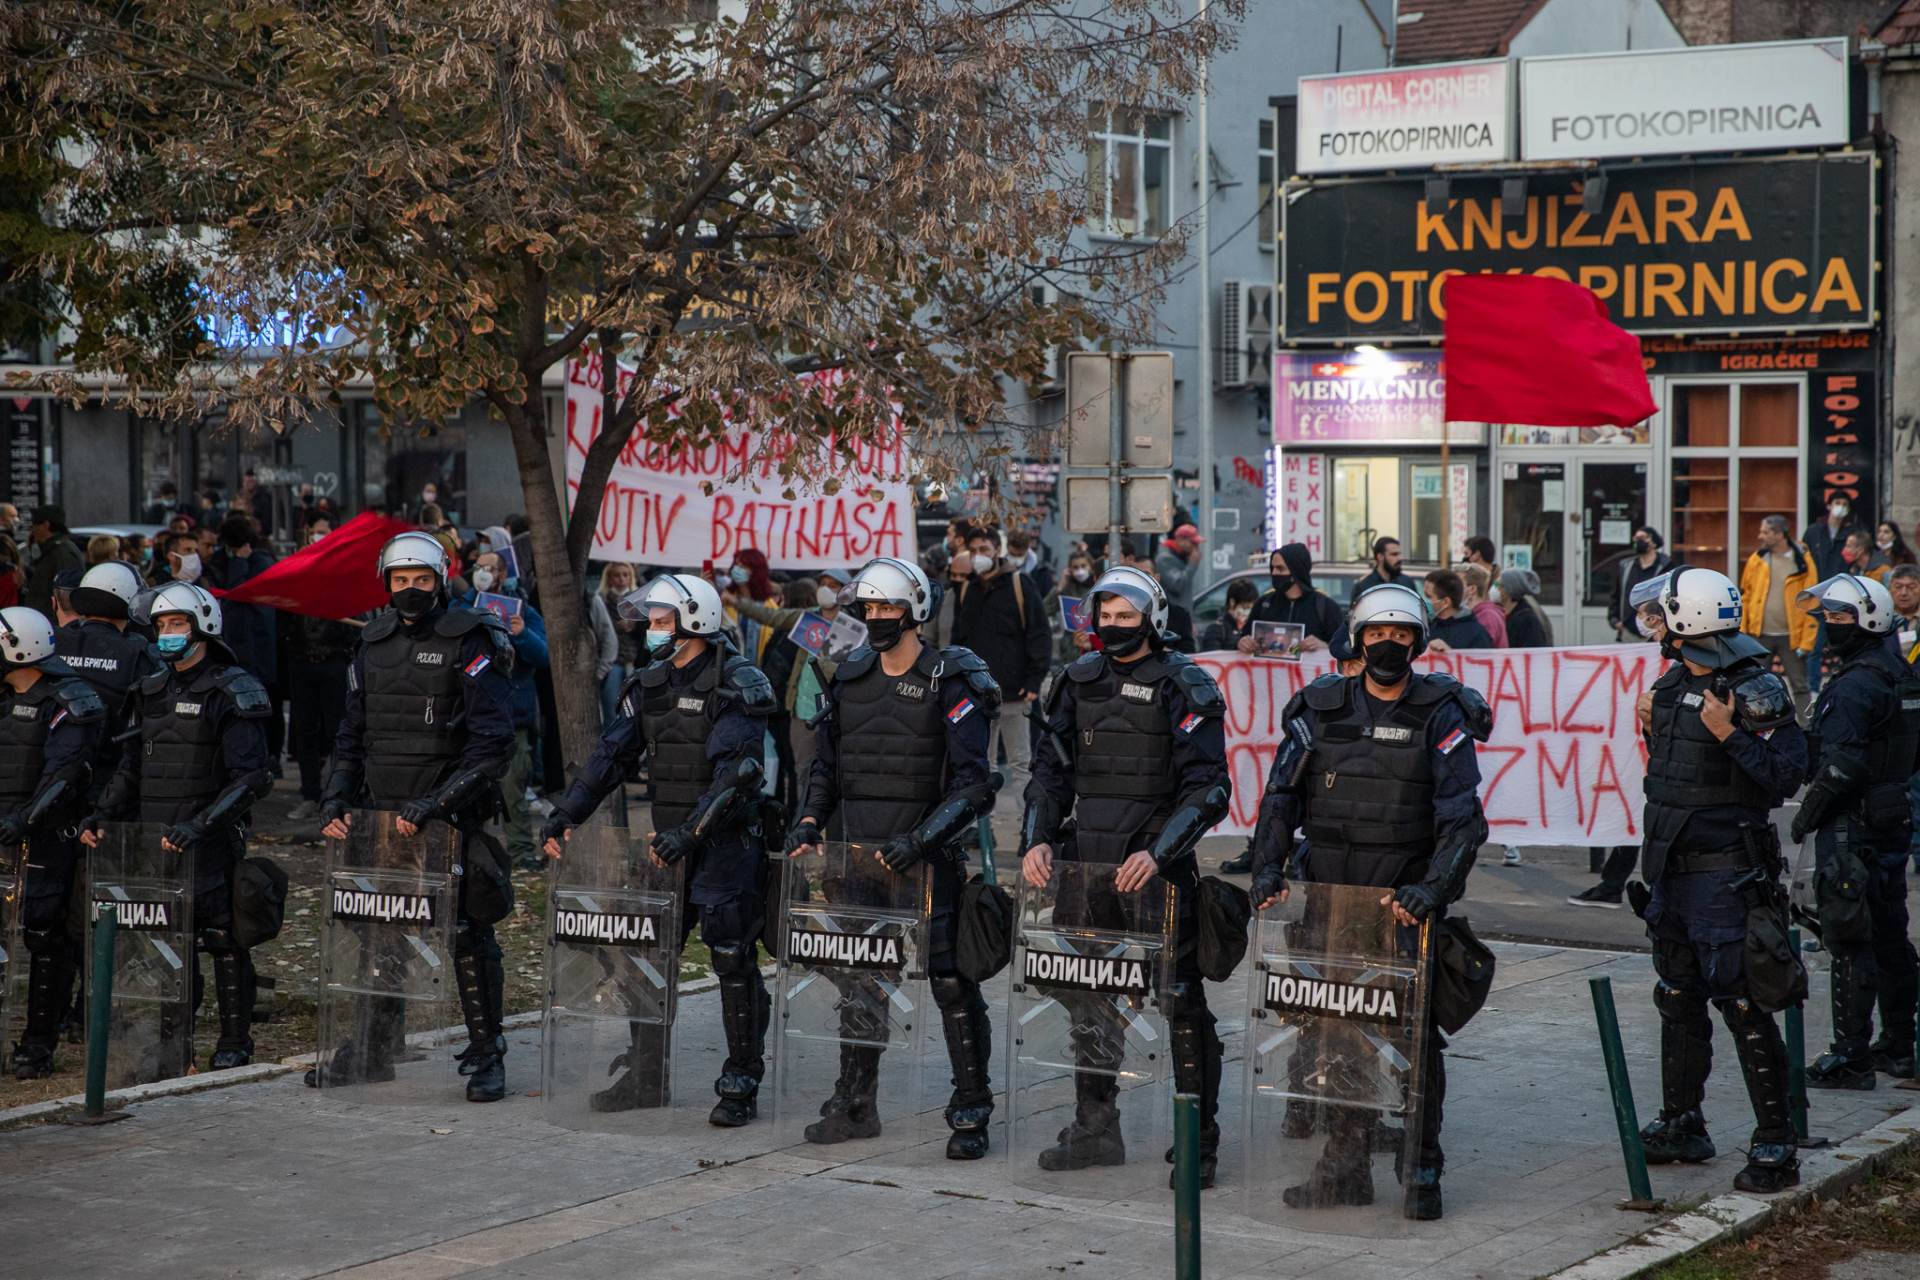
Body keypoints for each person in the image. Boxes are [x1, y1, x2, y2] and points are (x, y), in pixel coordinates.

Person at [1248, 582, 1491, 1219]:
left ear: (1416, 641)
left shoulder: (1440, 712)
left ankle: (1422, 1168)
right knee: (1337, 1037)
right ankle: (1344, 1167)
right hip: (1329, 898)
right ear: (1358, 640)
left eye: (1402, 635)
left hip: (1402, 907)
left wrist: (1432, 891)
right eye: (1378, 635)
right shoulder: (1320, 708)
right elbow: (1280, 799)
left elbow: (1463, 819)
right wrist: (1268, 870)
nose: (1389, 645)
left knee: (1413, 1040)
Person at [540, 574, 778, 1125]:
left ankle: (741, 1079)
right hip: (662, 849)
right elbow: (609, 757)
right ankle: (646, 1076)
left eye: (664, 620)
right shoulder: (647, 684)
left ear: (696, 621)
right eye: (652, 620)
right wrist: (567, 812)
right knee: (644, 960)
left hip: (722, 845)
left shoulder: (735, 683)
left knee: (731, 960)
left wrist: (689, 834)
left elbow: (736, 774)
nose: (653, 630)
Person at [1020, 565, 1231, 1186]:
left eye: (1125, 617)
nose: (1113, 628)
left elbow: (1209, 788)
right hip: (1087, 869)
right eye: (1104, 617)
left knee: (1181, 1007)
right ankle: (1094, 1129)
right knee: (1089, 999)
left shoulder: (1184, 684)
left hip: (1157, 875)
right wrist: (1036, 838)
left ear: (1152, 619)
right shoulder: (1074, 681)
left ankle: (1198, 1143)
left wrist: (1159, 854)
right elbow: (1048, 775)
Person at [784, 557, 1001, 1155]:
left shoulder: (951, 677)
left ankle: (971, 1109)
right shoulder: (849, 675)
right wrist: (808, 821)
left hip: (930, 860)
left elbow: (975, 784)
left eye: (889, 608)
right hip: (858, 862)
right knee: (859, 980)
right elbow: (826, 767)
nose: (878, 618)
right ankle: (856, 1101)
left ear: (915, 611)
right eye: (871, 608)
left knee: (952, 984)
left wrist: (922, 842)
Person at [309, 532, 518, 1102]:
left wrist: (438, 804)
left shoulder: (473, 638)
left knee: (469, 935)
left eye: (421, 580)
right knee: (380, 930)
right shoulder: (371, 642)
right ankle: (373, 1048)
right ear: (386, 583)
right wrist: (336, 799)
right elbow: (351, 735)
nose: (410, 591)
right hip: (383, 815)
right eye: (400, 581)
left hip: (452, 816)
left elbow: (494, 745)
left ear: (440, 579)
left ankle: (486, 1053)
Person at [1632, 567, 1806, 1194]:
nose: (1654, 623)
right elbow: (1674, 777)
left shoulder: (1754, 687)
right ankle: (1683, 1121)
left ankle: (1776, 1142)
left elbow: (1786, 774)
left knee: (1743, 1003)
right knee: (1677, 996)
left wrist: (1729, 733)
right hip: (1671, 874)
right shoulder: (1675, 680)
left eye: (1663, 613)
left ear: (1690, 618)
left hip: (1727, 877)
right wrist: (1654, 723)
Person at [81, 584, 273, 1068]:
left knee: (223, 940)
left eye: (178, 625)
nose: (168, 634)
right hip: (154, 838)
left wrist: (203, 824)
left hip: (209, 839)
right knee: (166, 939)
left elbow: (251, 776)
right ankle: (172, 1041)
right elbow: (130, 767)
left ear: (203, 626)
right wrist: (104, 813)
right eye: (162, 626)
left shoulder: (233, 688)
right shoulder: (148, 690)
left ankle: (234, 1042)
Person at [1788, 575, 1920, 1085]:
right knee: (1890, 934)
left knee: (1849, 938)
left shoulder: (1854, 685)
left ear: (1867, 621)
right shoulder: (1903, 677)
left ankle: (1851, 1055)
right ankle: (1898, 1046)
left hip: (1854, 824)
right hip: (1892, 817)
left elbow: (1840, 767)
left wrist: (1805, 817)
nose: (1828, 627)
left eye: (1839, 618)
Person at [0, 606, 107, 1078]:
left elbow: (66, 771)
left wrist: (25, 819)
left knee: (45, 936)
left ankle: (38, 1044)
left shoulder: (70, 699)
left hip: (45, 837)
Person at [950, 526, 1051, 812]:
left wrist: (1033, 682)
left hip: (1014, 693)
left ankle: (1028, 832)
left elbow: (1038, 635)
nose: (980, 556)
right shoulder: (967, 588)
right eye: (975, 551)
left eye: (985, 549)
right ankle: (985, 832)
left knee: (1021, 763)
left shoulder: (1020, 585)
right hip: (977, 696)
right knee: (984, 765)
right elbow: (959, 640)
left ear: (997, 549)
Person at [461, 548, 549, 869]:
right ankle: (471, 853)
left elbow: (543, 656)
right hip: (471, 716)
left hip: (514, 716)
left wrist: (522, 634)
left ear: (501, 574)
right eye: (478, 566)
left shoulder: (522, 610)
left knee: (513, 791)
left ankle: (521, 854)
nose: (483, 572)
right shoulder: (463, 605)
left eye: (489, 568)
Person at [1739, 515, 1814, 705]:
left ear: (1779, 534)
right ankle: (1759, 724)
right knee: (1754, 684)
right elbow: (1746, 595)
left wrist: (1806, 641)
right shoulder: (1757, 559)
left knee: (1800, 685)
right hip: (1759, 634)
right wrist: (1742, 632)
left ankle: (1806, 725)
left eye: (1765, 532)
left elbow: (1810, 601)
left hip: (1791, 637)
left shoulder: (1802, 561)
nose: (1760, 536)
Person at [1237, 544, 1348, 658]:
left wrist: (1323, 646)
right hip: (1266, 673)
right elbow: (1244, 638)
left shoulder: (1326, 607)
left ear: (1296, 571)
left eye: (1280, 568)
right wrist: (1243, 643)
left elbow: (1343, 649)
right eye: (1272, 567)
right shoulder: (1264, 604)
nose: (1274, 573)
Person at [597, 562, 643, 725]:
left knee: (633, 709)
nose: (621, 579)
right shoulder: (601, 601)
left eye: (625, 575)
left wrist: (635, 626)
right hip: (612, 662)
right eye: (617, 575)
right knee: (611, 707)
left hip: (633, 660)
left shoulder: (639, 601)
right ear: (609, 578)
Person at [1611, 527, 1672, 641]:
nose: (1638, 541)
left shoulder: (1666, 567)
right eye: (1636, 538)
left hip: (1656, 632)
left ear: (1653, 543)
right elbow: (1616, 595)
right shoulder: (1626, 566)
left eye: (1642, 538)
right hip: (1628, 631)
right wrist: (1615, 621)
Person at [23, 504, 84, 619]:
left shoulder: (62, 552)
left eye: (35, 524)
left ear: (46, 525)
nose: (33, 529)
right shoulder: (53, 551)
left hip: (53, 626)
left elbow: (66, 594)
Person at [1044, 548, 1099, 664]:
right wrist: (1059, 587)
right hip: (1070, 649)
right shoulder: (1067, 588)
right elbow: (1045, 610)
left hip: (1094, 647)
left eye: (1083, 566)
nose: (1080, 570)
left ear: (1090, 567)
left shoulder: (1098, 587)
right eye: (1075, 567)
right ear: (1070, 569)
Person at [1422, 570, 1491, 653]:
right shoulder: (1425, 627)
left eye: (1429, 597)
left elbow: (1480, 663)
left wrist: (1451, 654)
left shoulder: (1476, 634)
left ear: (1445, 602)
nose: (1423, 601)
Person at [1495, 568, 1553, 649]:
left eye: (1498, 585)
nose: (1495, 589)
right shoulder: (1506, 613)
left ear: (1509, 590)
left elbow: (1533, 651)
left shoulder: (1527, 619)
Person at [1154, 524, 1204, 613]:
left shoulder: (1182, 557)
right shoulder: (1165, 558)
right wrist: (1192, 565)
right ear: (1181, 540)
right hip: (1172, 616)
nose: (1196, 548)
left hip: (1183, 615)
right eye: (1193, 543)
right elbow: (1177, 585)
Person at [1200, 578, 1258, 652]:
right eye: (1244, 607)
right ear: (1232, 602)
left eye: (1251, 608)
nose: (1247, 613)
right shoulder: (1216, 629)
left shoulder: (1251, 628)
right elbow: (1211, 658)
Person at [1459, 564, 1507, 648]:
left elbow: (1479, 651)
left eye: (1457, 585)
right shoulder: (1480, 613)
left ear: (1472, 589)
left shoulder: (1487, 617)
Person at [1349, 536, 1404, 604]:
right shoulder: (1363, 585)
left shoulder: (1406, 582)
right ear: (1380, 557)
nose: (1400, 558)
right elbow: (1355, 613)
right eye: (1394, 554)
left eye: (1399, 554)